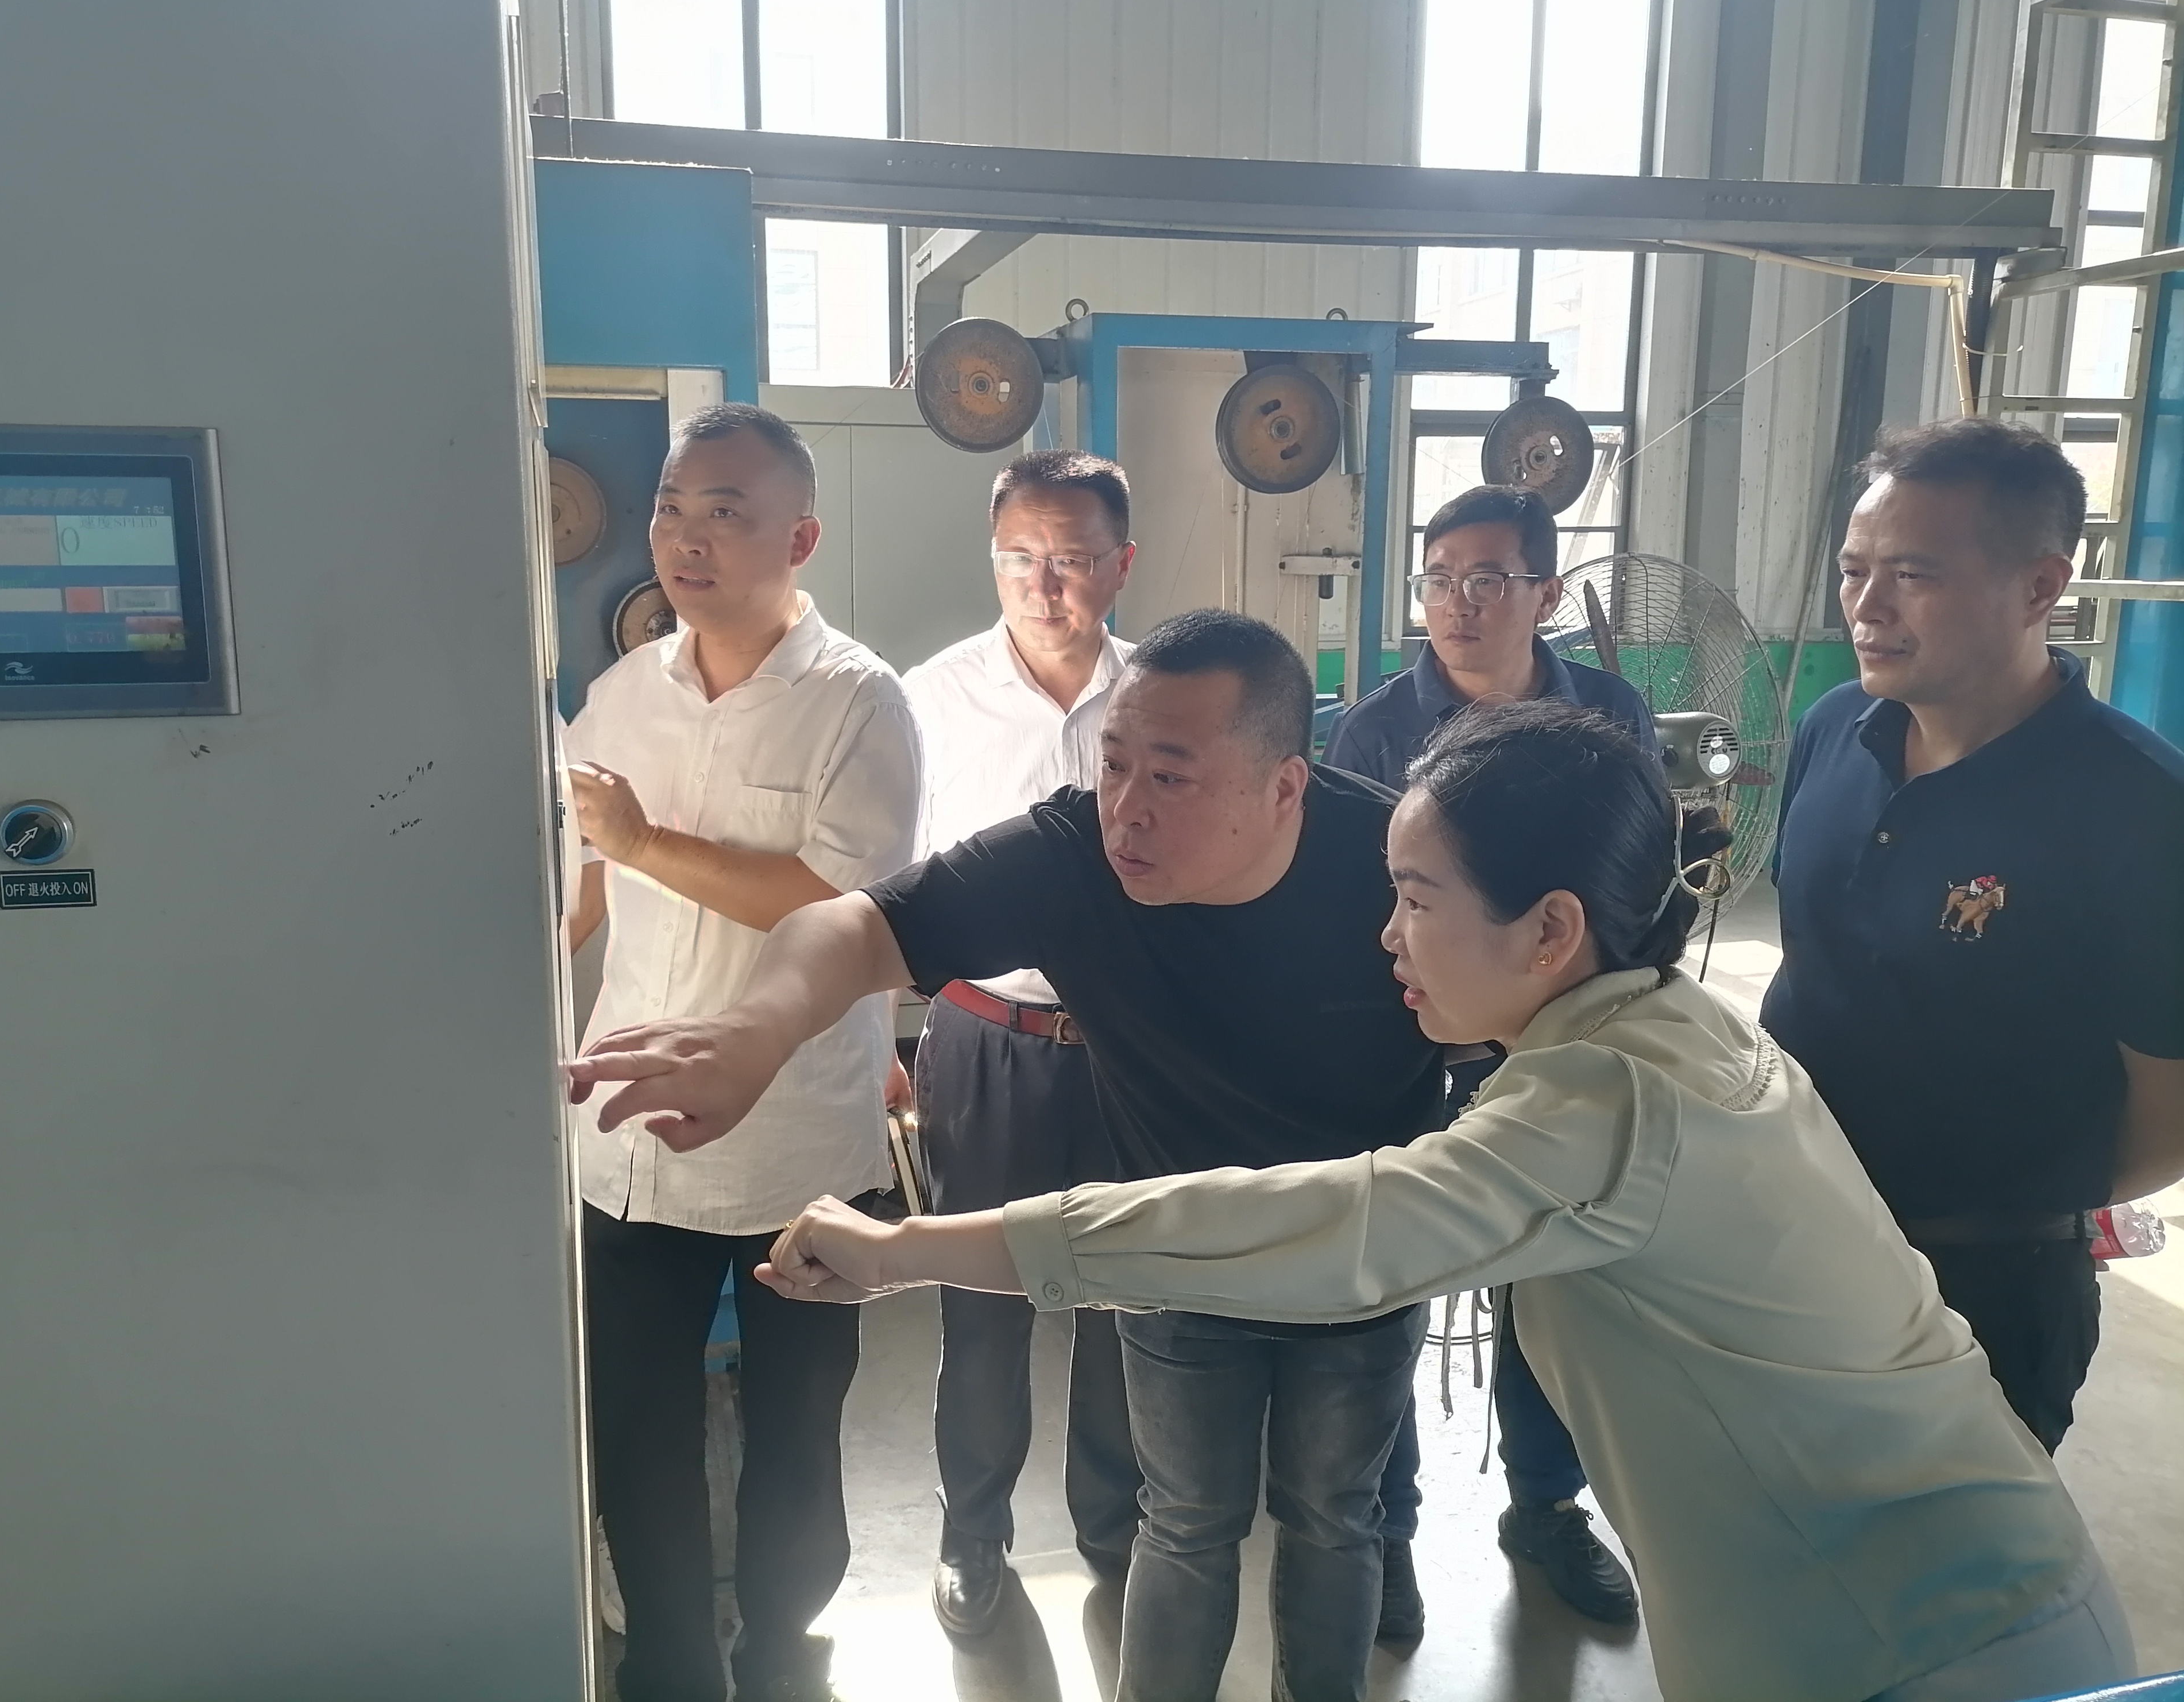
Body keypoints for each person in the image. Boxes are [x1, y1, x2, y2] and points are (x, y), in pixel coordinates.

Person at [758, 702, 2135, 1702]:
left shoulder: (1606, 1106)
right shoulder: (1672, 1028)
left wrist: (907, 1250)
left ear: (1548, 929)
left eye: (1414, 900)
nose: (1385, 935)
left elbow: (1318, 1229)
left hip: (1923, 1644)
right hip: (1942, 1600)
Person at [568, 610, 1445, 1702]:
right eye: (1114, 763)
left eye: (1172, 777)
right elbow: (856, 925)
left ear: (1285, 788)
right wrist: (756, 1032)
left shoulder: (1401, 868)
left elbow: (1528, 1016)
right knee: (1186, 1520)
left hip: (1361, 1252)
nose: (1127, 807)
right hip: (1178, 1256)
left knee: (1334, 1515)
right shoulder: (1075, 857)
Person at [563, 402, 921, 1702]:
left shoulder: (857, 701)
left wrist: (645, 845)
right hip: (630, 1145)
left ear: (800, 539)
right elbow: (577, 889)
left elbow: (841, 906)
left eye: (726, 513)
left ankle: (781, 1661)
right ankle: (668, 1665)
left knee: (796, 1434)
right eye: (673, 508)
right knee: (636, 1431)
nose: (686, 539)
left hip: (799, 1146)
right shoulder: (618, 696)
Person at [1764, 416, 2184, 1453]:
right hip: (1784, 1243)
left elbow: (2170, 1112)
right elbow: (1812, 960)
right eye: (1854, 570)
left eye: (1913, 574)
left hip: (1984, 1294)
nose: (1867, 607)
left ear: (2041, 586)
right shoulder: (1834, 730)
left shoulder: (2137, 807)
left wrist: (2010, 1203)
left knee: (1944, 1552)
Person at [1324, 483, 1651, 1630]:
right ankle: (1387, 1527)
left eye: (1485, 579)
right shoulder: (1374, 731)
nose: (1456, 604)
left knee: (1555, 1282)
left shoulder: (1606, 713)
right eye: (1437, 580)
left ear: (1545, 593)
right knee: (1393, 1278)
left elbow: (1625, 890)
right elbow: (1358, 909)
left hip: (1563, 1044)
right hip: (1413, 1044)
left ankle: (1546, 1506)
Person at [899, 450, 1143, 1636]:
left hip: (1135, 1047)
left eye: (1073, 559)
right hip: (986, 1036)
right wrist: (873, 1037)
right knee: (980, 1303)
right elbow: (885, 885)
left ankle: (1116, 1531)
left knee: (1127, 1296)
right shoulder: (928, 699)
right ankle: (971, 1538)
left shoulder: (1160, 697)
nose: (1045, 585)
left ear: (1121, 564)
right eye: (1020, 559)